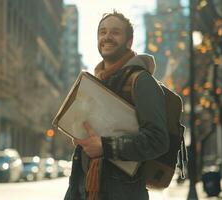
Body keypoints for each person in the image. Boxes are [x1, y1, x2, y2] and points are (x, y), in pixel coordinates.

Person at [64, 11, 169, 200]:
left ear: (129, 42)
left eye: (115, 32)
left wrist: (106, 146)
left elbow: (158, 140)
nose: (107, 37)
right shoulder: (95, 84)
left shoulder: (142, 81)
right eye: (102, 32)